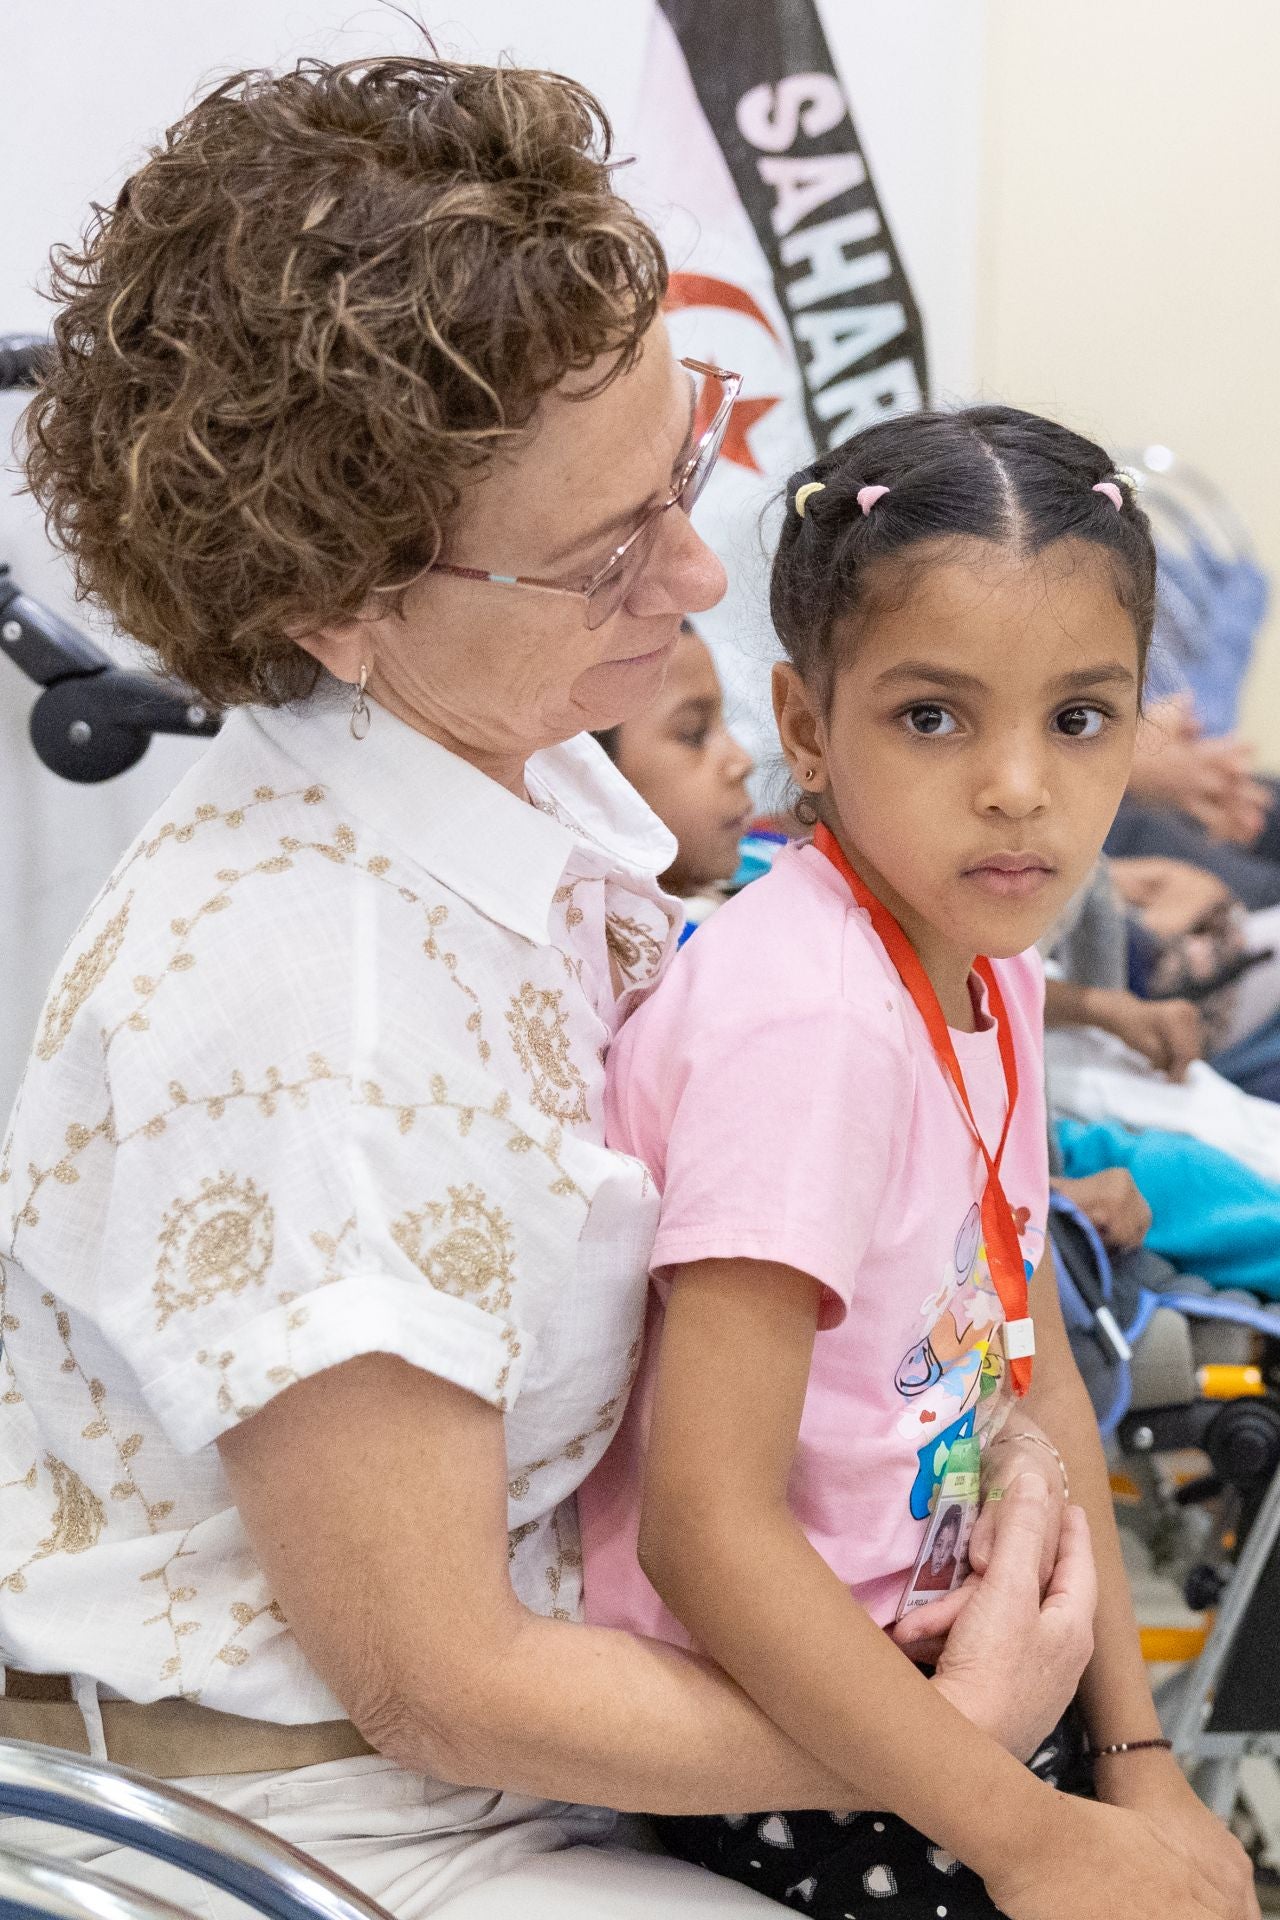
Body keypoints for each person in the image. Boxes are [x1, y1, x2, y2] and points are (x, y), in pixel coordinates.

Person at [0, 53, 1113, 1920]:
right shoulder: (306, 1010)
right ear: (340, 606)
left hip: (556, 1739)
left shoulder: (527, 765)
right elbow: (439, 1680)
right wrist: (957, 1750)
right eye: (609, 552)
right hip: (344, 1823)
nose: (691, 572)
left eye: (682, 474)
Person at [578, 410, 1257, 1919]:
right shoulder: (812, 1024)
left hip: (959, 1679)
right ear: (807, 730)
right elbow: (707, 1530)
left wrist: (1139, 1761)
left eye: (1079, 719)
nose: (1018, 786)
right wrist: (1036, 1841)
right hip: (801, 1745)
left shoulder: (983, 959)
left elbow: (1035, 1365)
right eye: (934, 717)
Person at [594, 620, 756, 914]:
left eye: (724, 723)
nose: (742, 762)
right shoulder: (593, 954)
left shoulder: (770, 861)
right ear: (591, 771)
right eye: (693, 734)